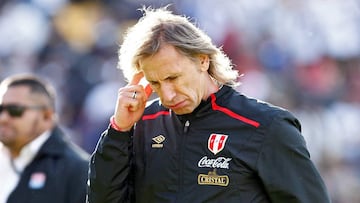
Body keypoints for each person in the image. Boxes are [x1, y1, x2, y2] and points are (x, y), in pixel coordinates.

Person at [87, 6, 331, 203]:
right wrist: (119, 130)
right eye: (155, 83)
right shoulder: (140, 126)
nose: (167, 95)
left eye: (173, 78)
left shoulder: (266, 126)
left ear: (202, 60)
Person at [0, 74, 89, 203]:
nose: (3, 118)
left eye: (15, 110)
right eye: (0, 109)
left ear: (47, 116)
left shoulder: (76, 170)